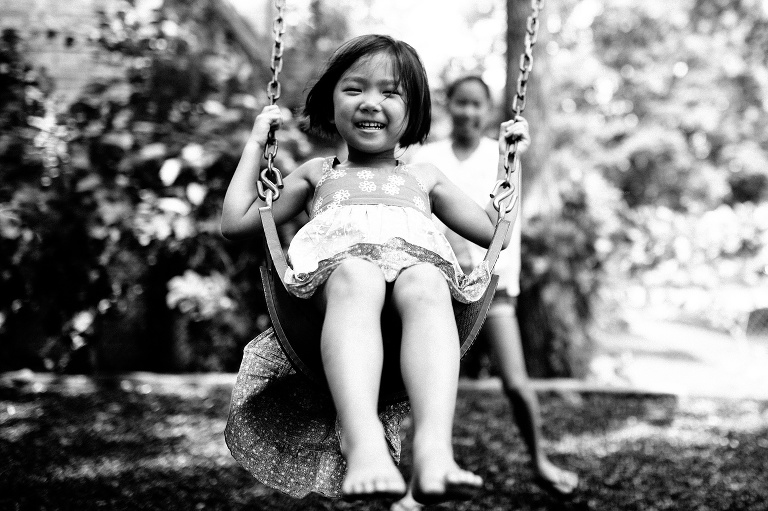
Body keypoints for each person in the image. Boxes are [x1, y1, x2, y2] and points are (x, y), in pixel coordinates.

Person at [221, 36, 529, 505]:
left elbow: (497, 233)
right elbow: (236, 222)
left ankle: (433, 451)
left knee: (426, 278)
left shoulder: (425, 177)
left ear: (415, 109)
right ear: (330, 100)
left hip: (410, 300)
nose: (371, 103)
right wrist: (255, 143)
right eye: (354, 89)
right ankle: (362, 443)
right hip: (337, 295)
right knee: (358, 275)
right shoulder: (316, 173)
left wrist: (512, 162)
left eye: (390, 92)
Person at [391, 75, 578, 510]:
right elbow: (416, 212)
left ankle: (540, 461)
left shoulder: (502, 152)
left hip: (493, 286)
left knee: (515, 382)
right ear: (449, 106)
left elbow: (504, 215)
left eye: (477, 105)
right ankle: (420, 483)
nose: (469, 112)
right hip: (440, 285)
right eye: (461, 103)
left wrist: (513, 151)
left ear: (488, 110)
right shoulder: (427, 156)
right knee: (429, 382)